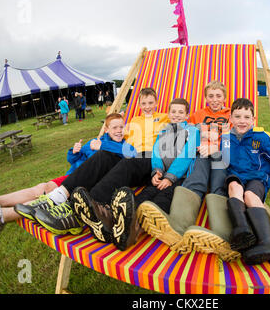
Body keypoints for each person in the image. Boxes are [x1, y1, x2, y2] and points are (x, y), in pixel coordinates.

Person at [20, 87, 168, 238]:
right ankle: (57, 197)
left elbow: (182, 130)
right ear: (138, 104)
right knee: (102, 156)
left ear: (157, 102)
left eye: (151, 102)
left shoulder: (166, 118)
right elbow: (116, 133)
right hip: (129, 157)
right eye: (144, 103)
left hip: (150, 160)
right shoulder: (133, 121)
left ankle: (75, 212)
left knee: (127, 161)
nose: (148, 106)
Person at [0, 113, 135, 236]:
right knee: (42, 187)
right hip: (73, 175)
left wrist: (104, 146)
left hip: (84, 182)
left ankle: (0, 216)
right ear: (106, 129)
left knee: (46, 194)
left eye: (121, 127)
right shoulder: (94, 142)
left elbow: (132, 154)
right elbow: (72, 159)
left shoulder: (123, 146)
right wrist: (74, 151)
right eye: (115, 127)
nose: (119, 131)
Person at [71, 98, 199, 251]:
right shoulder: (164, 130)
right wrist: (156, 171)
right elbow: (156, 153)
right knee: (143, 196)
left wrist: (170, 177)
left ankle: (133, 233)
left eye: (181, 112)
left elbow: (186, 155)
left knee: (160, 200)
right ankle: (116, 225)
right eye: (173, 112)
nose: (176, 115)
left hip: (179, 177)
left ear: (187, 115)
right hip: (161, 174)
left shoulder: (192, 131)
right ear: (169, 113)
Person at [185, 98, 270, 265]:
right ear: (231, 119)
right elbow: (221, 150)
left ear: (253, 120)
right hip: (236, 176)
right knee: (234, 187)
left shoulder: (261, 137)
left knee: (249, 195)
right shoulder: (227, 137)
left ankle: (269, 242)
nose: (242, 121)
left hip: (257, 177)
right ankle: (242, 231)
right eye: (238, 116)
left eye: (247, 117)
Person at [137, 80, 232, 254]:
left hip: (221, 155)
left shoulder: (231, 116)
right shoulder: (197, 115)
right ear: (205, 98)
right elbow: (183, 129)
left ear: (225, 97)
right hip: (199, 155)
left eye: (219, 96)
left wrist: (216, 147)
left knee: (219, 181)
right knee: (194, 179)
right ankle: (178, 227)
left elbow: (235, 140)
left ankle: (223, 236)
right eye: (211, 96)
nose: (215, 99)